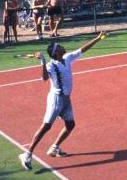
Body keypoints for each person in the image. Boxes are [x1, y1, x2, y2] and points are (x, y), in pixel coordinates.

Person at [19, 32, 106, 170]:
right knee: (46, 126)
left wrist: (98, 38)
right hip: (56, 99)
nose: (61, 46)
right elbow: (45, 78)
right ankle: (27, 154)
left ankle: (54, 148)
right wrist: (42, 62)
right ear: (56, 52)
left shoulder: (67, 58)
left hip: (66, 99)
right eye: (58, 46)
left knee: (70, 125)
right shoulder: (51, 65)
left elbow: (82, 49)